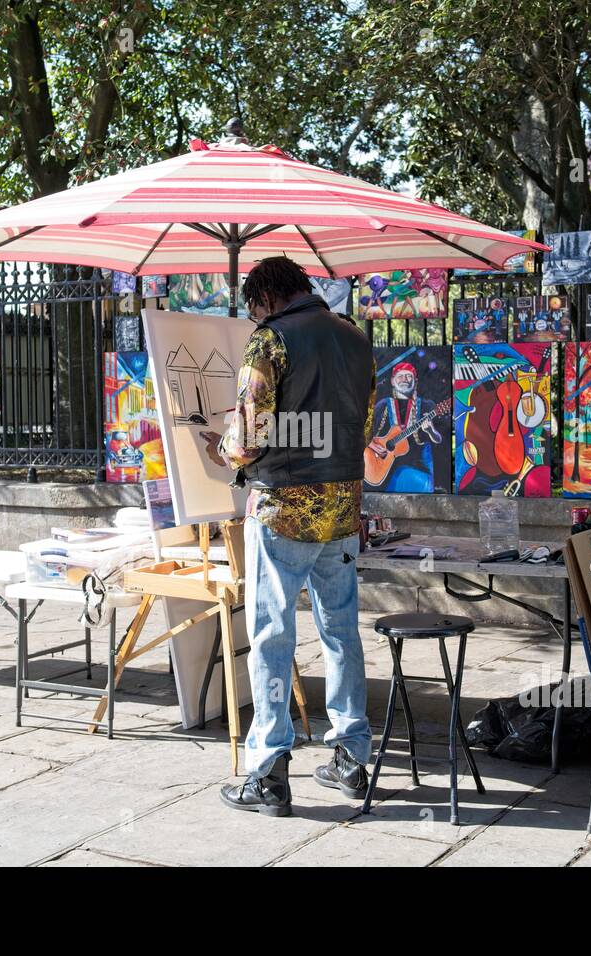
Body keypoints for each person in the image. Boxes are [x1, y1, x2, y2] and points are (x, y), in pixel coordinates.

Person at [210, 256, 375, 818]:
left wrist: (223, 449)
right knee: (340, 632)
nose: (254, 314)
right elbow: (366, 424)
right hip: (343, 507)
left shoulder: (270, 341)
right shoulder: (355, 339)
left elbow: (250, 434)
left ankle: (268, 771)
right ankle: (352, 759)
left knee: (273, 636)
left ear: (266, 299)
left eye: (253, 306)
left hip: (283, 507)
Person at [368, 361, 442, 492]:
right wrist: (371, 445)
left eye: (408, 376)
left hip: (417, 468)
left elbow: (438, 439)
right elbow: (367, 432)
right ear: (392, 381)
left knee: (406, 476)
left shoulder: (427, 406)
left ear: (415, 381)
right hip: (385, 467)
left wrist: (431, 431)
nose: (404, 379)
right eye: (400, 376)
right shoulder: (383, 405)